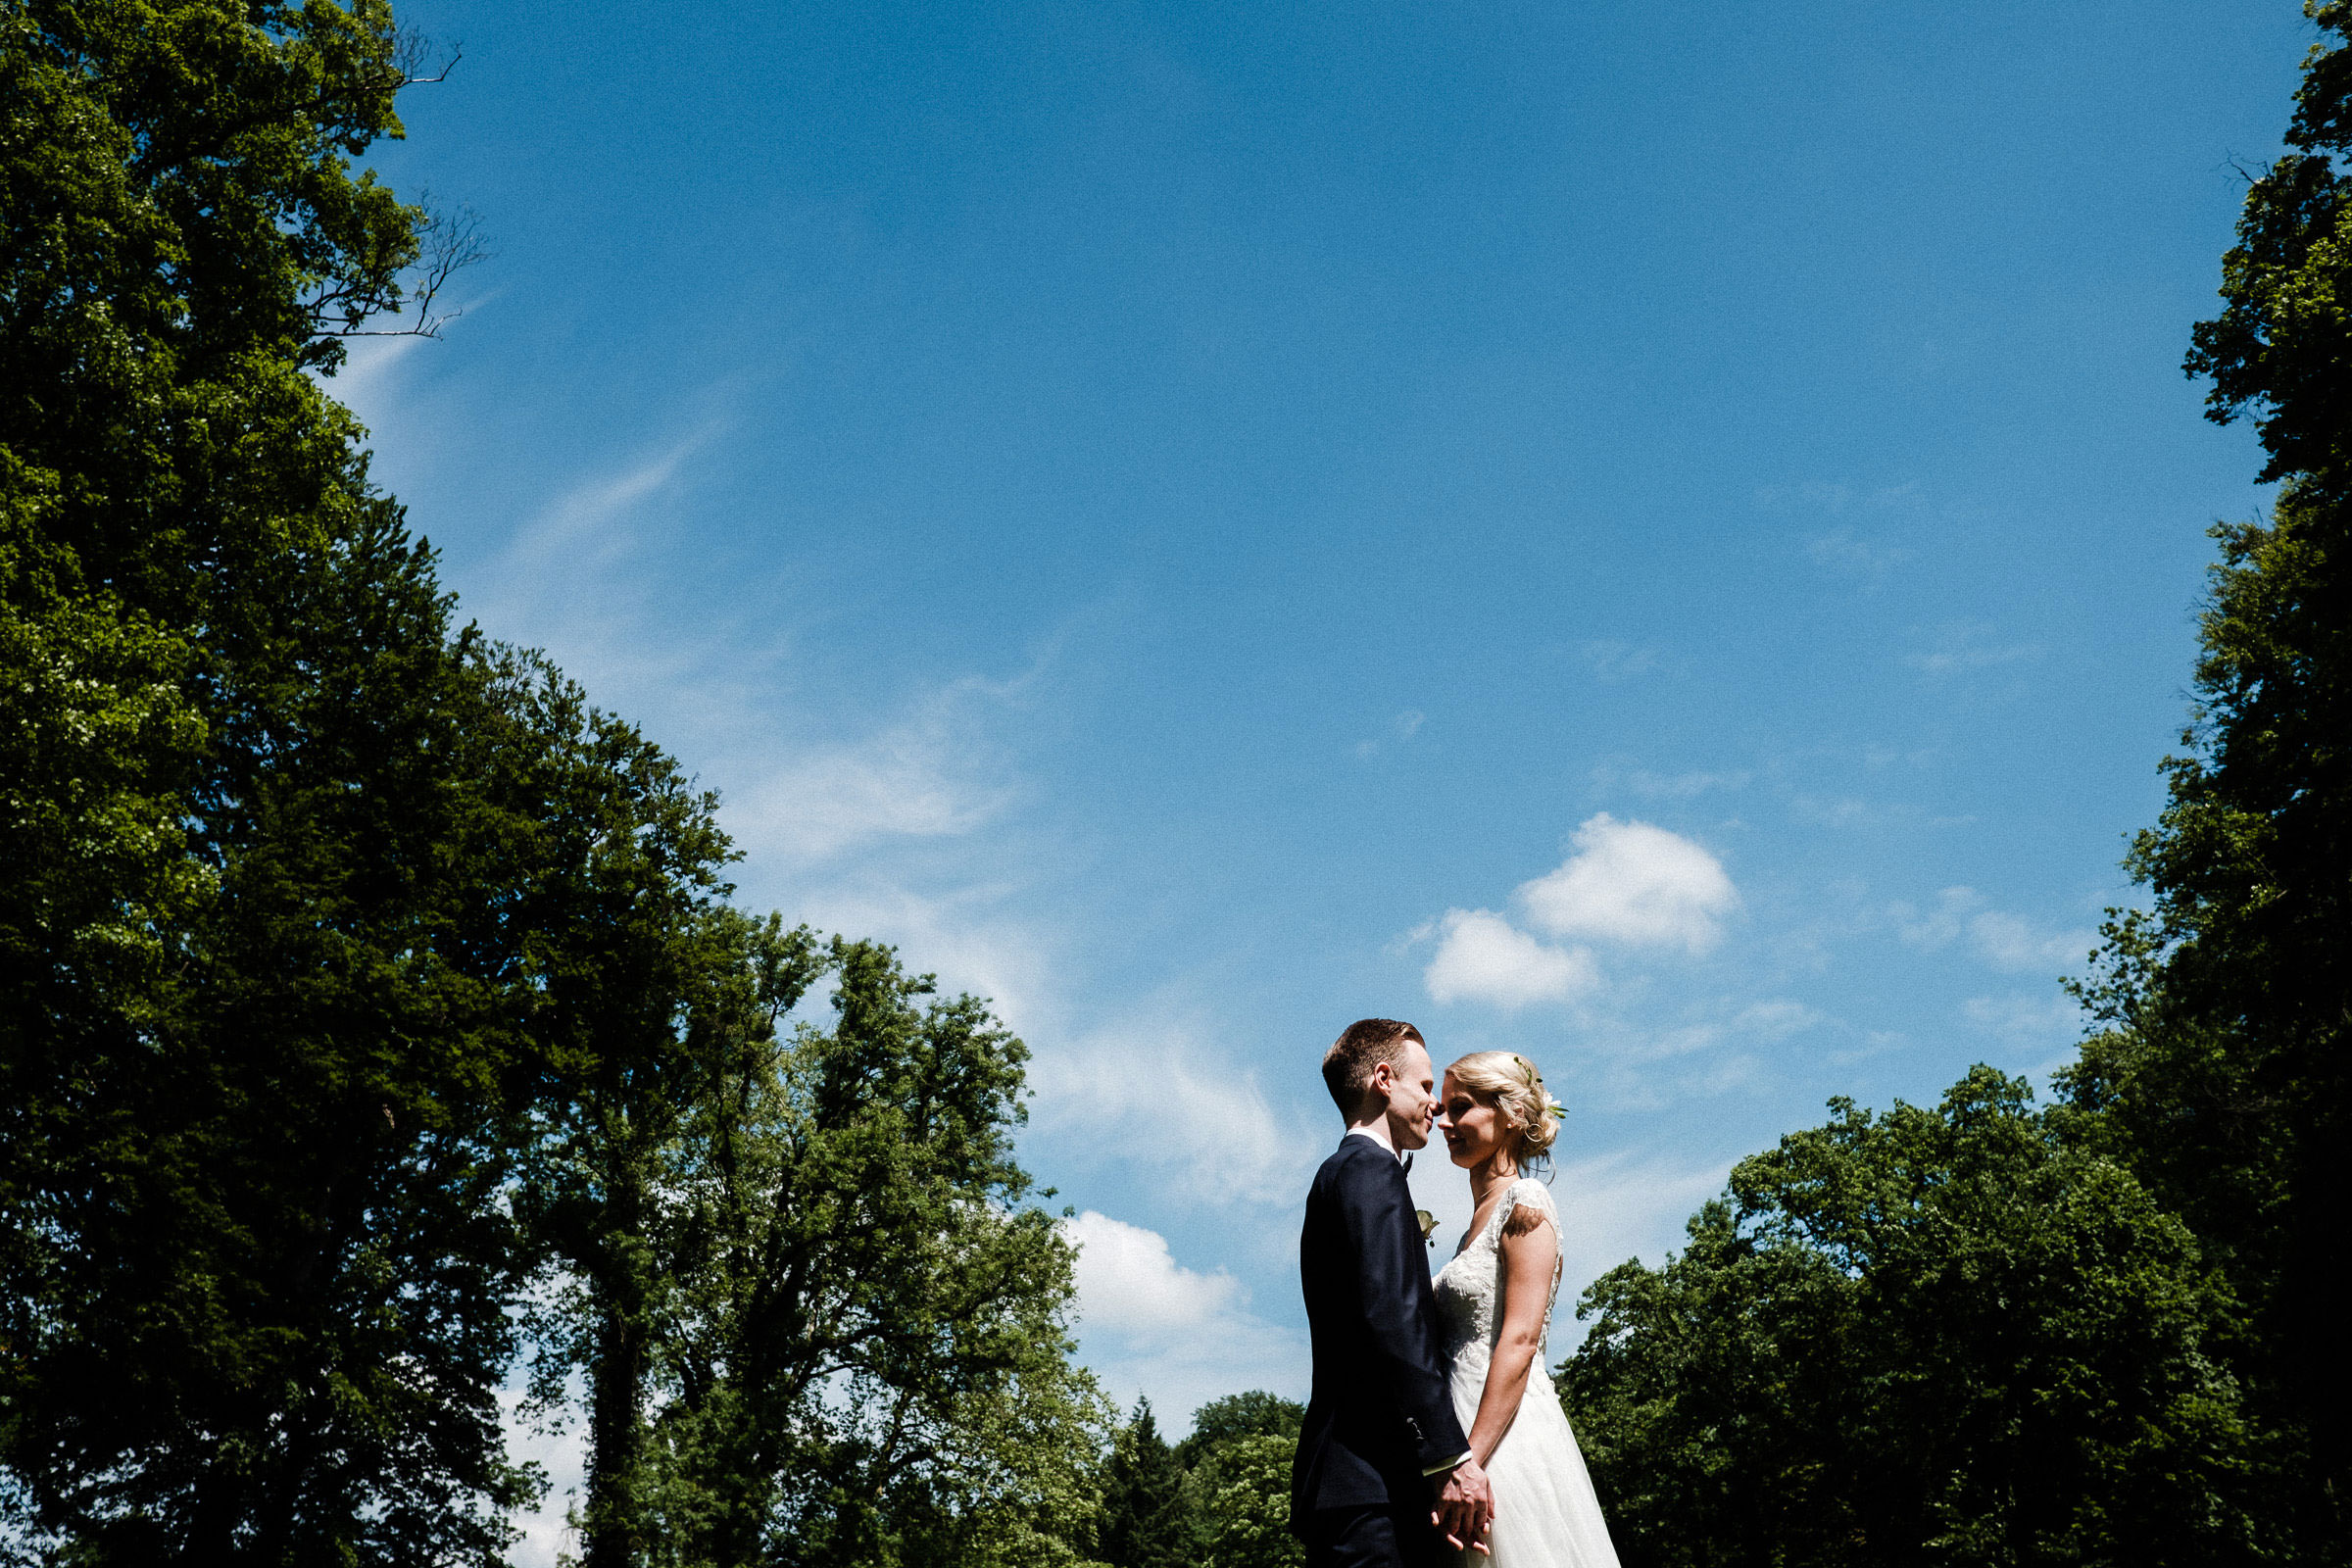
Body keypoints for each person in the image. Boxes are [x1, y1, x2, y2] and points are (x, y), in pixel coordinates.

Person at [1293, 1018, 1497, 1567]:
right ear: (1384, 1079)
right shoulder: (1370, 1172)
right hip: (1372, 1486)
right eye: (1427, 1087)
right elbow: (1393, 1321)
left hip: (1352, 1484)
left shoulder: (1339, 1173)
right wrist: (1450, 1457)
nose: (1435, 1104)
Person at [1430, 1052, 1623, 1568]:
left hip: (1500, 1438)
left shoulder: (1527, 1202)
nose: (1443, 1122)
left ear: (1510, 1114)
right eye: (1443, 1109)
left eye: (1460, 1108)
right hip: (1458, 1430)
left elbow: (1520, 1339)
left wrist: (1469, 1459)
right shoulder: (1472, 1225)